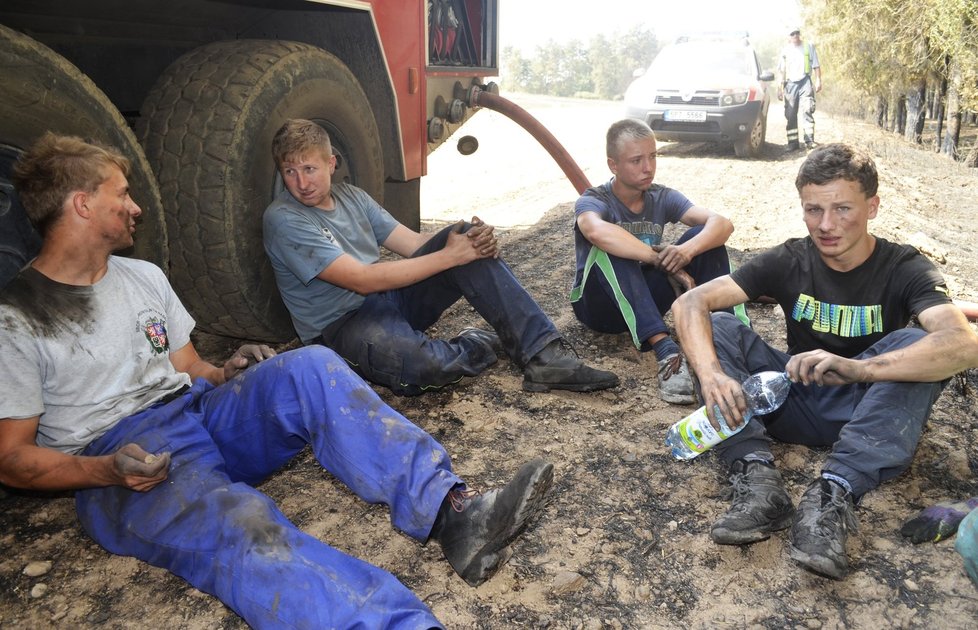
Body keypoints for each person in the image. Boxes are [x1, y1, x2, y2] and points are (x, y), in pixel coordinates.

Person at [0, 132, 556, 628]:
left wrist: (228, 372)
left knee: (310, 366)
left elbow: (191, 370)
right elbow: (13, 459)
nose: (135, 207)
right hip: (122, 463)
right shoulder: (17, 318)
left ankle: (451, 513)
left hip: (196, 412)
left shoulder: (142, 277)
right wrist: (103, 470)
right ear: (81, 204)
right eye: (120, 194)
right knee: (246, 529)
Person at [672, 143, 978, 579]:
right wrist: (711, 375)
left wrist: (860, 369)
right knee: (718, 326)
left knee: (918, 342)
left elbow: (964, 344)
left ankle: (833, 495)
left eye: (842, 209)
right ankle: (757, 480)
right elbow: (690, 303)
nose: (826, 225)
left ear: (872, 206)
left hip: (869, 410)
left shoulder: (905, 267)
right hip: (789, 399)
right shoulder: (789, 259)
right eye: (813, 210)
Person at [263, 119, 618, 396]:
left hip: (386, 301)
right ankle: (475, 342)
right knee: (423, 369)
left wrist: (470, 245)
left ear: (330, 163)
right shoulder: (284, 219)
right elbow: (360, 279)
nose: (301, 182)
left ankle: (545, 355)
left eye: (309, 169)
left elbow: (415, 243)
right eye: (290, 172)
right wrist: (451, 256)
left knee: (463, 234)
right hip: (341, 326)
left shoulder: (352, 196)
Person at [571, 118, 736, 404]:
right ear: (614, 165)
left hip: (644, 299)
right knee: (613, 245)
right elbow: (594, 230)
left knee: (705, 239)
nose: (648, 167)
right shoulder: (594, 199)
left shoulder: (662, 196)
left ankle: (728, 337)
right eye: (636, 160)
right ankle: (666, 352)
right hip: (601, 309)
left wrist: (687, 251)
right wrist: (655, 257)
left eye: (652, 157)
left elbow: (722, 224)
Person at [778, 27, 822, 151]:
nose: (795, 36)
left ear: (799, 34)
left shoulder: (809, 46)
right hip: (791, 84)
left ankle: (809, 140)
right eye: (792, 34)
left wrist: (818, 79)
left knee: (808, 108)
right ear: (789, 37)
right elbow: (782, 71)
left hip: (805, 82)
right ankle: (792, 143)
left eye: (797, 33)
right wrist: (779, 88)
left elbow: (816, 65)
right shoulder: (785, 51)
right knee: (791, 113)